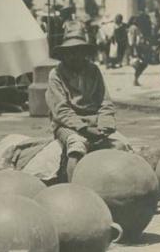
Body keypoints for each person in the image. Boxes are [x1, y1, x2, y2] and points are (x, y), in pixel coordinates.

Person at [45, 24, 131, 181]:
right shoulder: (55, 75)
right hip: (67, 125)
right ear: (64, 54)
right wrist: (84, 129)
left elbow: (105, 102)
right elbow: (61, 111)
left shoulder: (94, 71)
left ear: (85, 52)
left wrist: (105, 125)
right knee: (77, 147)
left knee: (122, 146)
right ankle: (74, 189)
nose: (75, 55)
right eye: (70, 51)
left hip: (95, 123)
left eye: (79, 50)